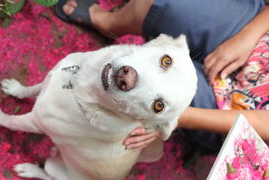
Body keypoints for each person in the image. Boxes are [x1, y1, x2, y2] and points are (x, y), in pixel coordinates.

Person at [55, 0, 269, 151]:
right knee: (168, 3)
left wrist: (173, 118)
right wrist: (249, 35)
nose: (126, 78)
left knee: (137, 107)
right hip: (258, 35)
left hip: (236, 111)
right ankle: (111, 23)